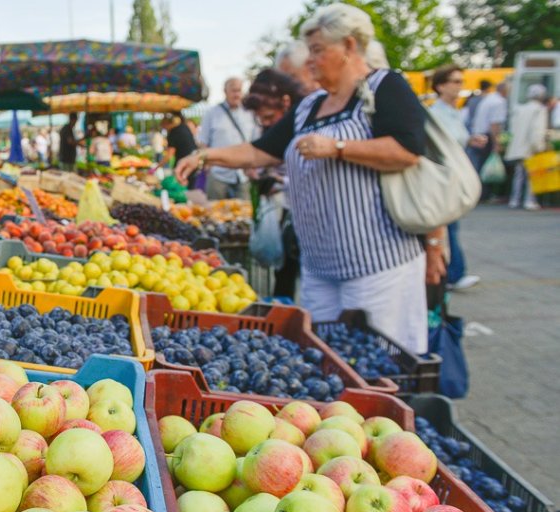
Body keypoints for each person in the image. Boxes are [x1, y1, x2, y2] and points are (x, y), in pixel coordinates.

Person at [176, 4, 439, 354]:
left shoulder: (384, 86)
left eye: (318, 50)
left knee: (377, 362)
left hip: (377, 267)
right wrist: (205, 156)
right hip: (319, 266)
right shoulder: (310, 105)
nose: (310, 60)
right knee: (326, 359)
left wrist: (339, 147)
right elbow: (261, 151)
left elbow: (408, 149)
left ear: (348, 46)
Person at [243, 69, 306, 299]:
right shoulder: (268, 129)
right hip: (283, 210)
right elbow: (258, 156)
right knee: (284, 272)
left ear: (286, 103)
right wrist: (257, 172)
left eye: (270, 117)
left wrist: (282, 181)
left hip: (299, 212)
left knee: (294, 272)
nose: (267, 123)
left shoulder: (303, 125)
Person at [428, 64, 483, 291]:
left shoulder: (454, 112)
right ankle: (453, 273)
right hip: (444, 177)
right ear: (441, 86)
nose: (460, 86)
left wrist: (471, 140)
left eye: (461, 81)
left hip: (455, 177)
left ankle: (452, 272)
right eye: (455, 82)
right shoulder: (436, 113)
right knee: (447, 227)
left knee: (450, 226)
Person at [198, 77, 261, 200]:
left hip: (244, 174)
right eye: (233, 90)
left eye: (239, 90)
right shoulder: (212, 113)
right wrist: (205, 164)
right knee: (215, 213)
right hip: (218, 174)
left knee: (244, 214)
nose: (237, 94)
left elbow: (256, 142)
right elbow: (203, 142)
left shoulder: (250, 113)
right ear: (225, 91)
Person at [505, 83, 549, 210]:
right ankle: (529, 200)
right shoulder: (540, 109)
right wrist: (539, 147)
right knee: (532, 175)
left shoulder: (520, 109)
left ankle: (515, 199)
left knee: (518, 175)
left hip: (518, 146)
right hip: (530, 147)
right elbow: (537, 130)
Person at [469, 80, 509, 199]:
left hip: (478, 133)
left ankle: (478, 194)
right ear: (504, 90)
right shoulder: (499, 102)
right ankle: (486, 194)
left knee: (479, 165)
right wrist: (497, 143)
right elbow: (494, 124)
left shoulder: (489, 99)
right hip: (487, 136)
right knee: (487, 167)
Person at [160, 112, 198, 187]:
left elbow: (169, 154)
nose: (164, 128)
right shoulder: (184, 127)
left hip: (184, 163)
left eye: (163, 126)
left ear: (167, 124)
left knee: (181, 186)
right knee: (191, 185)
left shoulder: (173, 133)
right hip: (193, 160)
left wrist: (158, 166)